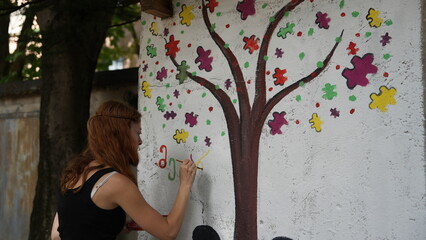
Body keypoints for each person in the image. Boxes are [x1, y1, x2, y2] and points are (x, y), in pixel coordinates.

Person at [51, 100, 197, 240]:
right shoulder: (115, 182)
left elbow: (57, 235)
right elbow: (168, 232)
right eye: (138, 133)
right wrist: (185, 184)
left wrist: (108, 225)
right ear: (122, 135)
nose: (140, 141)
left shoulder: (75, 173)